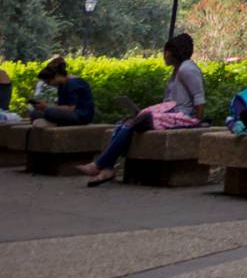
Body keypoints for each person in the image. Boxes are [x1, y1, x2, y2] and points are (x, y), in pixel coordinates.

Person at [75, 34, 206, 183]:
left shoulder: (187, 69)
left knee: (134, 122)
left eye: (166, 51)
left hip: (182, 116)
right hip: (170, 114)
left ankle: (98, 165)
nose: (164, 55)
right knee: (123, 124)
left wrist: (198, 121)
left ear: (173, 52)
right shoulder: (177, 70)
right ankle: (108, 169)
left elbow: (199, 97)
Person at [28, 57, 96, 125]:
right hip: (68, 114)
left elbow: (71, 108)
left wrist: (47, 106)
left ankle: (53, 123)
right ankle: (52, 122)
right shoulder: (62, 85)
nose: (49, 85)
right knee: (35, 113)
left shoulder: (73, 83)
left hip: (80, 115)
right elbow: (62, 106)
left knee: (49, 112)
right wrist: (43, 106)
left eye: (49, 82)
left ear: (57, 75)